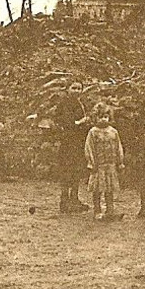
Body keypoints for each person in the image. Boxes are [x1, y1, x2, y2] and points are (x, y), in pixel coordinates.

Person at [54, 79, 90, 213]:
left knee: (77, 170)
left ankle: (74, 199)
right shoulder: (64, 103)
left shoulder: (80, 103)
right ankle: (64, 201)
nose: (76, 91)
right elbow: (67, 121)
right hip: (68, 142)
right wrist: (81, 121)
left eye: (79, 88)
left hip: (78, 141)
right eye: (73, 88)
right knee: (67, 171)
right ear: (68, 89)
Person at [85, 103, 125, 221]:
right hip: (98, 165)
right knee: (97, 189)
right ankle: (97, 210)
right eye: (100, 116)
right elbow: (89, 148)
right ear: (95, 117)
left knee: (109, 188)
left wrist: (120, 161)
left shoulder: (113, 131)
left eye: (106, 117)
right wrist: (91, 162)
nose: (103, 119)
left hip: (110, 164)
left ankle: (110, 210)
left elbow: (118, 147)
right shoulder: (93, 132)